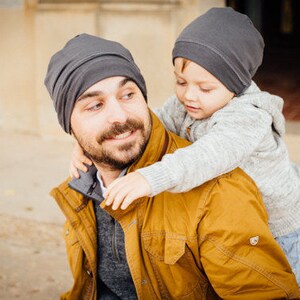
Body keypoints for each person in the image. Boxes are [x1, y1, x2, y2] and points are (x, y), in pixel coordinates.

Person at [45, 33, 300, 299]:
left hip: (287, 227)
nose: (120, 116)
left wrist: (151, 178)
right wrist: (82, 144)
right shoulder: (81, 185)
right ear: (69, 126)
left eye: (128, 94)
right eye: (95, 105)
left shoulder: (219, 187)